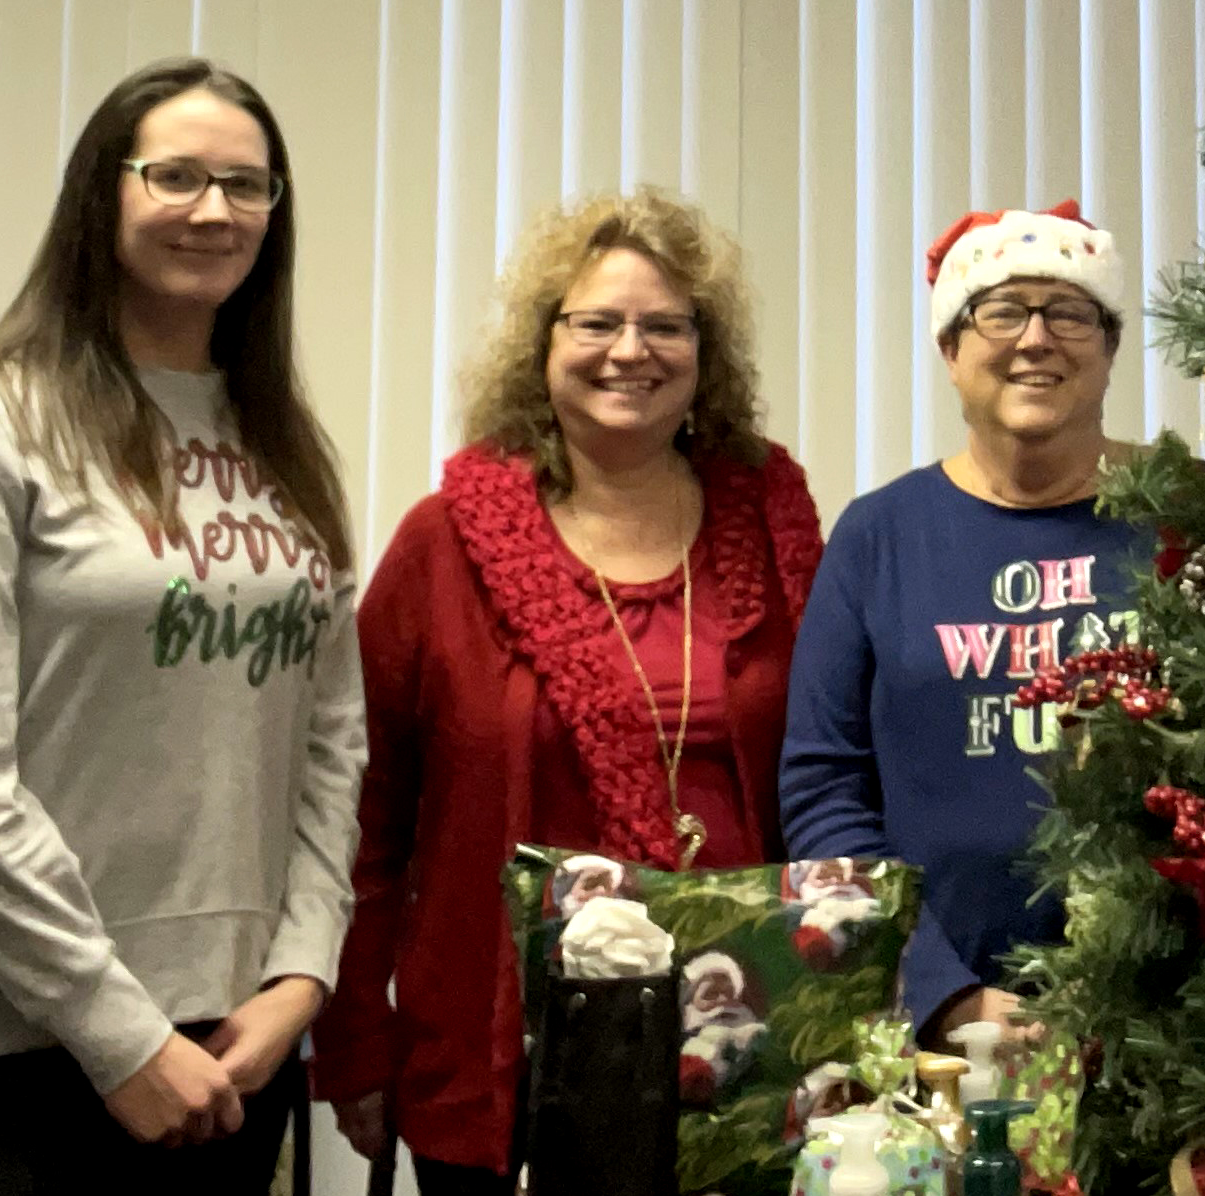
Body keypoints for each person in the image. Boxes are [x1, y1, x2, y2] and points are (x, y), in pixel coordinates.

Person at [0, 57, 363, 1191]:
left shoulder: (279, 438)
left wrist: (302, 974)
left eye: (245, 184)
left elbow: (333, 746)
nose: (213, 209)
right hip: (29, 1038)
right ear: (104, 192)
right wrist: (115, 1030)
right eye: (174, 175)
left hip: (241, 1033)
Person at [310, 189, 823, 1192]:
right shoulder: (443, 544)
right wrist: (355, 1039)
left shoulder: (775, 522)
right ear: (541, 345)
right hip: (502, 1055)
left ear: (703, 353)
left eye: (664, 325)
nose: (629, 349)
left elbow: (835, 769)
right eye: (596, 322)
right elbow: (359, 819)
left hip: (743, 1043)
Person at [780, 200, 1151, 1045]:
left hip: (1164, 1030)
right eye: (1002, 311)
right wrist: (943, 994)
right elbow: (823, 793)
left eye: (1070, 313)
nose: (1036, 338)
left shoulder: (1186, 520)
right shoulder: (878, 536)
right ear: (951, 349)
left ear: (1110, 347)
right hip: (936, 1035)